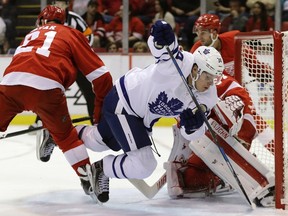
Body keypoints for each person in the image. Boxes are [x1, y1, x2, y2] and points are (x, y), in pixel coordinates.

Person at [73, 20, 225, 203]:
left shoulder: (208, 95)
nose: (210, 83)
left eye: (214, 79)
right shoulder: (179, 63)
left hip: (140, 117)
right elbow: (163, 49)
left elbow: (192, 133)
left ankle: (62, 134)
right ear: (195, 69)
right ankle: (102, 169)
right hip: (125, 101)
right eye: (208, 76)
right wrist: (161, 33)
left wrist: (193, 126)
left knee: (99, 141)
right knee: (144, 163)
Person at [0, 5, 112, 200]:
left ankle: (48, 130)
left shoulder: (32, 33)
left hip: (10, 83)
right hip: (47, 88)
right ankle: (87, 177)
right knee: (67, 137)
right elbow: (102, 77)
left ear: (42, 20)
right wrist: (100, 113)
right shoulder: (71, 32)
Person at [32, 0, 98, 163]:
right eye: (56, 2)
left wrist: (80, 52)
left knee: (89, 92)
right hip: (57, 63)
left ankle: (95, 120)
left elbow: (89, 34)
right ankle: (40, 121)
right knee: (49, 91)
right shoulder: (46, 19)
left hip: (75, 62)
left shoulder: (75, 19)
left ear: (68, 5)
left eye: (61, 2)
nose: (59, 4)